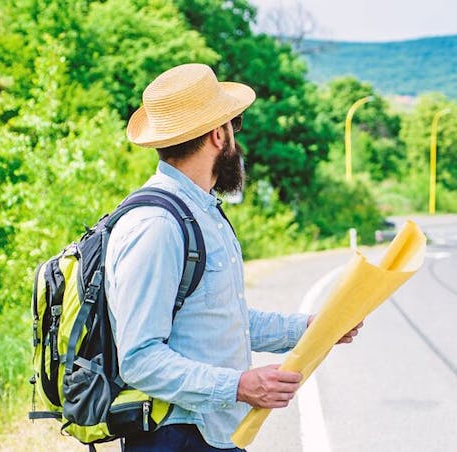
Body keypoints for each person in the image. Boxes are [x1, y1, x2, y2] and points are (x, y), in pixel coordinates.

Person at [107, 63, 361, 451]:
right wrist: (240, 386)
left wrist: (315, 328)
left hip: (213, 433)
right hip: (175, 437)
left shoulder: (202, 212)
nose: (235, 140)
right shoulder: (156, 224)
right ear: (217, 134)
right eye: (234, 126)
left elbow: (223, 319)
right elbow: (140, 358)